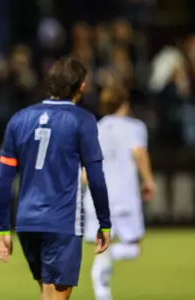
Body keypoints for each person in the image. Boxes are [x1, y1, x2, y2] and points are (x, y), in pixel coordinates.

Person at [0, 57, 112, 300]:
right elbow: (96, 177)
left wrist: (2, 228)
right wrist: (105, 222)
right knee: (56, 296)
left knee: (47, 294)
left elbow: (4, 181)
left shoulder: (19, 119)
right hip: (62, 222)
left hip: (27, 222)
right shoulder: (83, 120)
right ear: (81, 87)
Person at [83, 85, 155, 300]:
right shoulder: (135, 127)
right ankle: (110, 260)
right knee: (134, 248)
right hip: (124, 196)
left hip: (97, 197)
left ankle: (102, 287)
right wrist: (149, 180)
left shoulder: (95, 127)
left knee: (101, 248)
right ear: (125, 103)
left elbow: (87, 167)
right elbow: (139, 154)